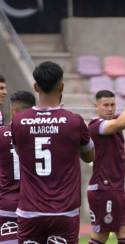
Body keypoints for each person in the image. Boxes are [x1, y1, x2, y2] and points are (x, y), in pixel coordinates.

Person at [10, 61, 95, 243]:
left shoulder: (18, 122)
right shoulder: (74, 121)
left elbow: (20, 153)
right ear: (62, 86)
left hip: (30, 210)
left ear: (35, 87)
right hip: (64, 211)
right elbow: (90, 156)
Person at [87, 75, 125, 244]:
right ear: (96, 107)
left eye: (112, 104)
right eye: (105, 105)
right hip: (103, 188)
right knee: (101, 235)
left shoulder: (115, 121)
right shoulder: (95, 126)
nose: (110, 108)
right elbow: (121, 123)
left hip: (118, 188)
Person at [0, 90, 36, 243]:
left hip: (7, 206)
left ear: (13, 110)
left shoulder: (1, 134)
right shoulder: (42, 135)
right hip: (35, 206)